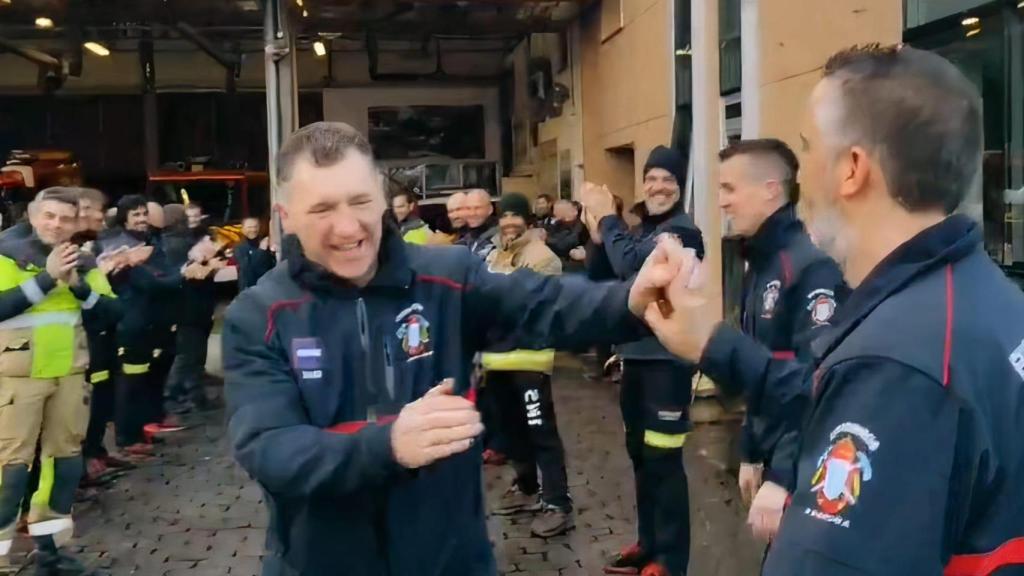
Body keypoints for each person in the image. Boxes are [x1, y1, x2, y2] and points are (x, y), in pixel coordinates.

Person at [222, 121, 677, 576]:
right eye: (322, 208)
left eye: (360, 201)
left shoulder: (447, 276)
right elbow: (271, 448)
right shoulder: (259, 315)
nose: (347, 226)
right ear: (285, 216)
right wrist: (388, 445)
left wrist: (634, 299)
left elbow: (545, 304)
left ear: (381, 197)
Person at [642, 44, 1024, 575]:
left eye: (808, 148)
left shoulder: (896, 362)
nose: (800, 178)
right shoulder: (987, 296)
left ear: (851, 168)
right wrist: (712, 344)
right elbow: (821, 390)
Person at [580, 146, 704, 576]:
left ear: (681, 187)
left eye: (668, 179)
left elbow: (633, 266)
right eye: (651, 178)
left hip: (667, 363)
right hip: (633, 358)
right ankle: (649, 543)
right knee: (640, 456)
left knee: (663, 461)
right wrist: (598, 238)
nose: (658, 186)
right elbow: (601, 275)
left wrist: (608, 219)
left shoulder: (683, 233)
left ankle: (670, 560)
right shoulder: (641, 230)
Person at [717, 139, 847, 522]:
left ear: (771, 189)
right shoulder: (759, 265)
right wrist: (750, 451)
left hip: (804, 468)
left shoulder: (810, 268)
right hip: (771, 457)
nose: (722, 202)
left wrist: (782, 476)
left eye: (729, 189)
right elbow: (762, 370)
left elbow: (816, 382)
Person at [0, 188, 119, 575]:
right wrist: (47, 279)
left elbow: (112, 312)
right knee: (9, 469)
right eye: (49, 216)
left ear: (75, 224)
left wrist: (78, 286)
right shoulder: (4, 255)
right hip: (16, 378)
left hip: (68, 374)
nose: (56, 224)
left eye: (65, 219)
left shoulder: (83, 262)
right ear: (33, 216)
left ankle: (51, 554)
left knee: (65, 464)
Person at [482, 193, 573, 537]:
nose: (509, 222)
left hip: (530, 360)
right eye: (504, 216)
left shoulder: (542, 257)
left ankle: (557, 502)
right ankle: (526, 487)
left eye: (515, 216)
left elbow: (531, 305)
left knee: (541, 431)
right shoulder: (493, 254)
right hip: (497, 359)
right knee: (511, 430)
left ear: (528, 221)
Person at [99, 196, 182, 459]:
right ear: (124, 219)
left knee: (143, 381)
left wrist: (172, 276)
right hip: (129, 324)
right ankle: (126, 438)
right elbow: (152, 281)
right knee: (129, 382)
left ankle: (140, 430)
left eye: (144, 213)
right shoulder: (121, 246)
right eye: (136, 215)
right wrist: (180, 275)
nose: (142, 219)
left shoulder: (148, 242)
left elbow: (165, 275)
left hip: (147, 322)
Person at [234, 217, 276, 291]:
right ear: (243, 229)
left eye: (255, 226)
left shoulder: (265, 242)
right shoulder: (239, 248)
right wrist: (261, 250)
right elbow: (248, 269)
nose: (253, 230)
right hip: (250, 289)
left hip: (267, 287)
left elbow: (272, 265)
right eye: (249, 227)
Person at [457, 188, 498, 258]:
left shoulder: (498, 238)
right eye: (468, 208)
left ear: (490, 209)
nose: (472, 213)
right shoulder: (468, 236)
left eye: (477, 208)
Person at [545, 199, 589, 263]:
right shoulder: (556, 224)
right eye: (556, 214)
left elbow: (566, 244)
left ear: (574, 211)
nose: (558, 217)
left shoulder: (582, 225)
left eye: (562, 213)